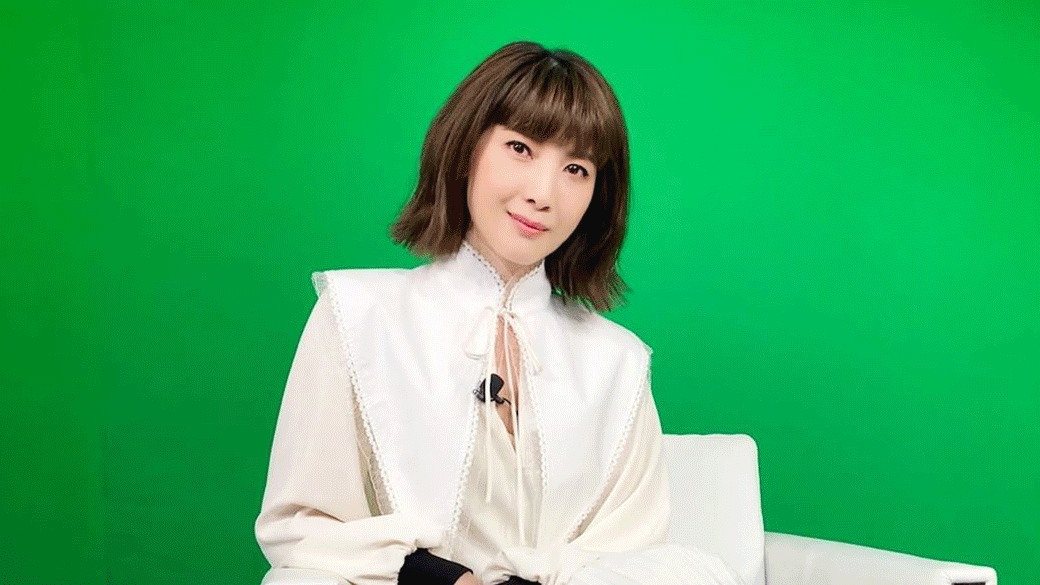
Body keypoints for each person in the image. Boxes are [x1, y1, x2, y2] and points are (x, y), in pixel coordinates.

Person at [254, 41, 745, 585]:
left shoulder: (619, 363)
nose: (543, 194)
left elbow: (631, 555)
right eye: (520, 147)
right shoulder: (357, 315)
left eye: (576, 168)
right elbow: (299, 526)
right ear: (466, 148)